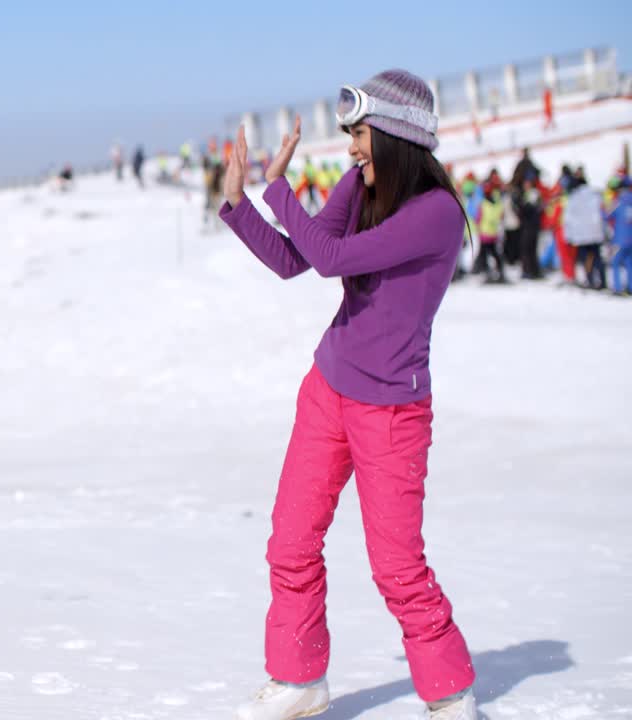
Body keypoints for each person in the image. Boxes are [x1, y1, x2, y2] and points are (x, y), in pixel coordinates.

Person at [218, 70, 476, 720]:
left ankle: (450, 695)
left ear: (393, 134)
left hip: (391, 412)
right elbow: (294, 260)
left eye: (360, 133)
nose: (352, 147)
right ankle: (297, 680)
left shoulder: (435, 214)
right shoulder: (359, 186)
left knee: (396, 567)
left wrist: (278, 190)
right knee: (291, 540)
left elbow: (334, 259)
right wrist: (238, 203)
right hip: (328, 389)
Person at [564, 172, 608, 290]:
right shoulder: (595, 195)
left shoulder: (573, 198)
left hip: (581, 235)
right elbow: (602, 212)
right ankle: (603, 280)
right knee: (597, 257)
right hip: (596, 232)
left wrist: (569, 236)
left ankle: (590, 280)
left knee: (586, 258)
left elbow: (568, 218)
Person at [605, 178, 632, 295]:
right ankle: (630, 287)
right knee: (629, 262)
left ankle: (617, 288)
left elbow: (607, 215)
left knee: (615, 262)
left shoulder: (618, 201)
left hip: (621, 238)